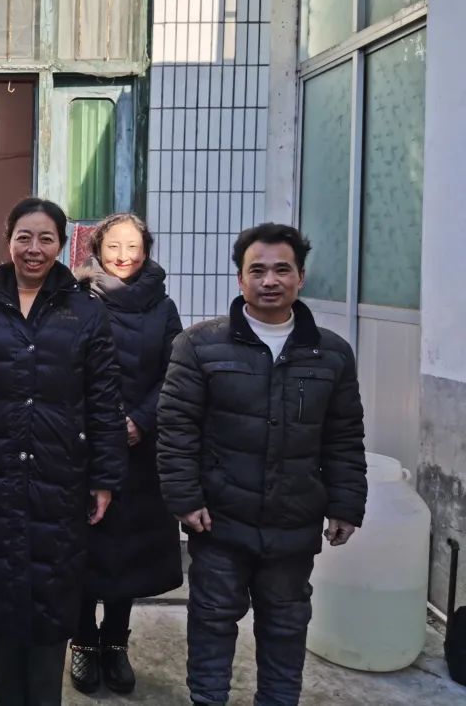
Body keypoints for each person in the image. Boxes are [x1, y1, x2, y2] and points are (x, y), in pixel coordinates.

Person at [158, 223, 368, 706]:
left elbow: (343, 436)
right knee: (211, 620)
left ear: (301, 277)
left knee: (286, 626)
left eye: (282, 269)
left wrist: (346, 504)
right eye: (257, 270)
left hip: (294, 520)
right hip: (220, 518)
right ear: (240, 279)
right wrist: (185, 499)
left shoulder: (331, 353)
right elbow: (176, 429)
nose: (269, 280)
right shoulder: (199, 346)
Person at [0, 198, 128, 706]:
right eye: (24, 237)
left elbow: (104, 400)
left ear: (62, 246)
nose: (34, 248)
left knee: (53, 594)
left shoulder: (86, 311)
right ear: (8, 241)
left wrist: (105, 478)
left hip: (61, 478)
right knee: (0, 593)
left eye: (46, 238)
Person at [71, 212, 184, 695]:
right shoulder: (77, 299)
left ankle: (115, 641)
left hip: (141, 449)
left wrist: (141, 419)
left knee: (129, 551)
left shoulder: (163, 306)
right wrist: (101, 424)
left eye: (133, 247)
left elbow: (176, 371)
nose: (123, 256)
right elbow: (65, 368)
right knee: (83, 545)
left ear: (146, 251)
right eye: (113, 246)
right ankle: (82, 639)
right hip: (85, 446)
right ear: (97, 249)